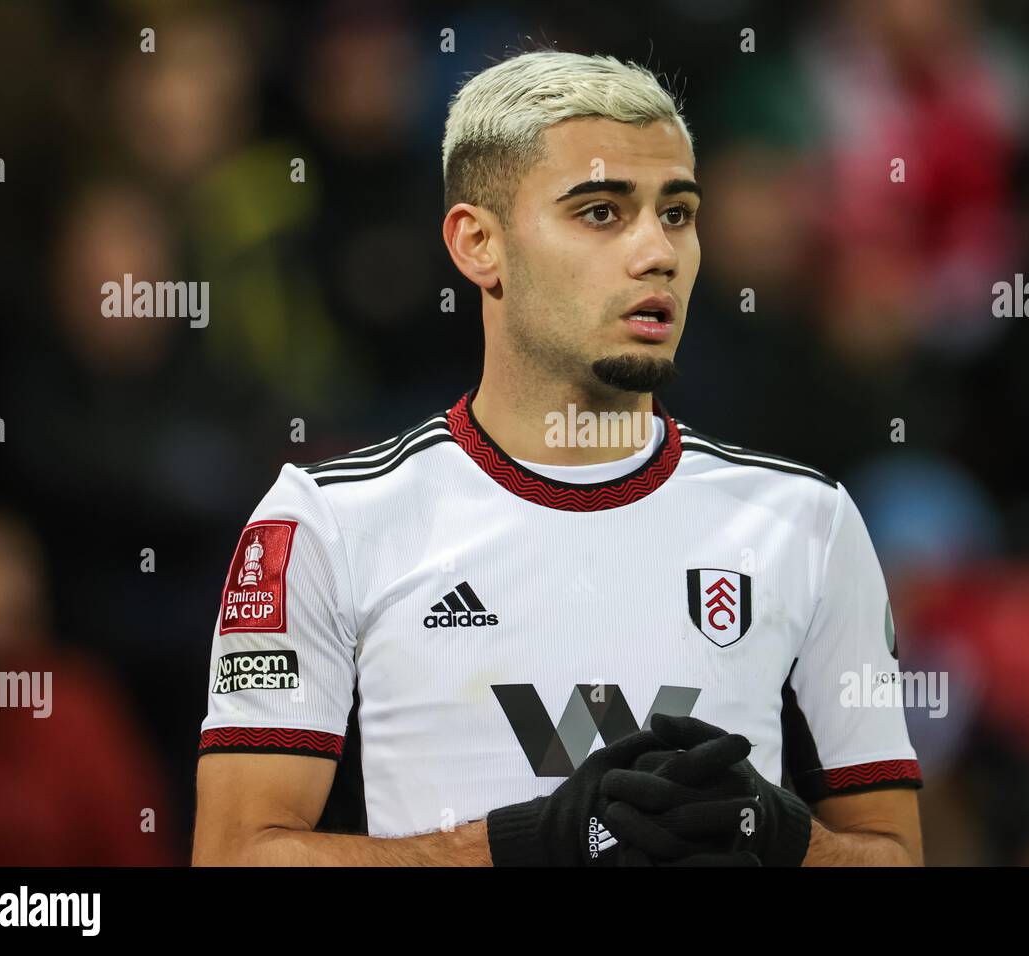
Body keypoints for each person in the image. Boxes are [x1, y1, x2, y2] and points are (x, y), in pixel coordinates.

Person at [193, 49, 922, 866]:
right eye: (603, 212)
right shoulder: (326, 523)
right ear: (478, 245)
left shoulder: (809, 523)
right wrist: (522, 845)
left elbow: (894, 854)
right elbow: (235, 856)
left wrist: (777, 830)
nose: (659, 254)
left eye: (677, 213)